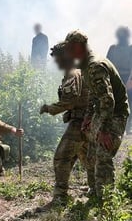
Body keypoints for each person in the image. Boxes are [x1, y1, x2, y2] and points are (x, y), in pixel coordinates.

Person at [65, 30, 129, 201]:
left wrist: (105, 130)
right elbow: (95, 96)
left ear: (79, 47)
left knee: (102, 154)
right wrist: (88, 117)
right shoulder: (87, 66)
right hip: (103, 112)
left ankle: (106, 202)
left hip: (115, 114)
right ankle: (94, 192)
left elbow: (108, 100)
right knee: (91, 153)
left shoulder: (94, 67)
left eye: (70, 48)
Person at [39, 42, 90, 205]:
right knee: (87, 158)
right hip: (86, 121)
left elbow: (70, 100)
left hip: (79, 123)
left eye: (58, 58)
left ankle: (60, 197)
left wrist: (49, 108)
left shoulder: (72, 74)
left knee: (62, 158)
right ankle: (97, 191)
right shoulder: (77, 72)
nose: (56, 62)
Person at [106, 26, 132, 133]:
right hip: (115, 77)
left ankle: (128, 126)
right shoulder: (113, 48)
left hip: (128, 78)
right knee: (115, 102)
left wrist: (130, 80)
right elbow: (107, 64)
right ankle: (115, 125)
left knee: (129, 102)